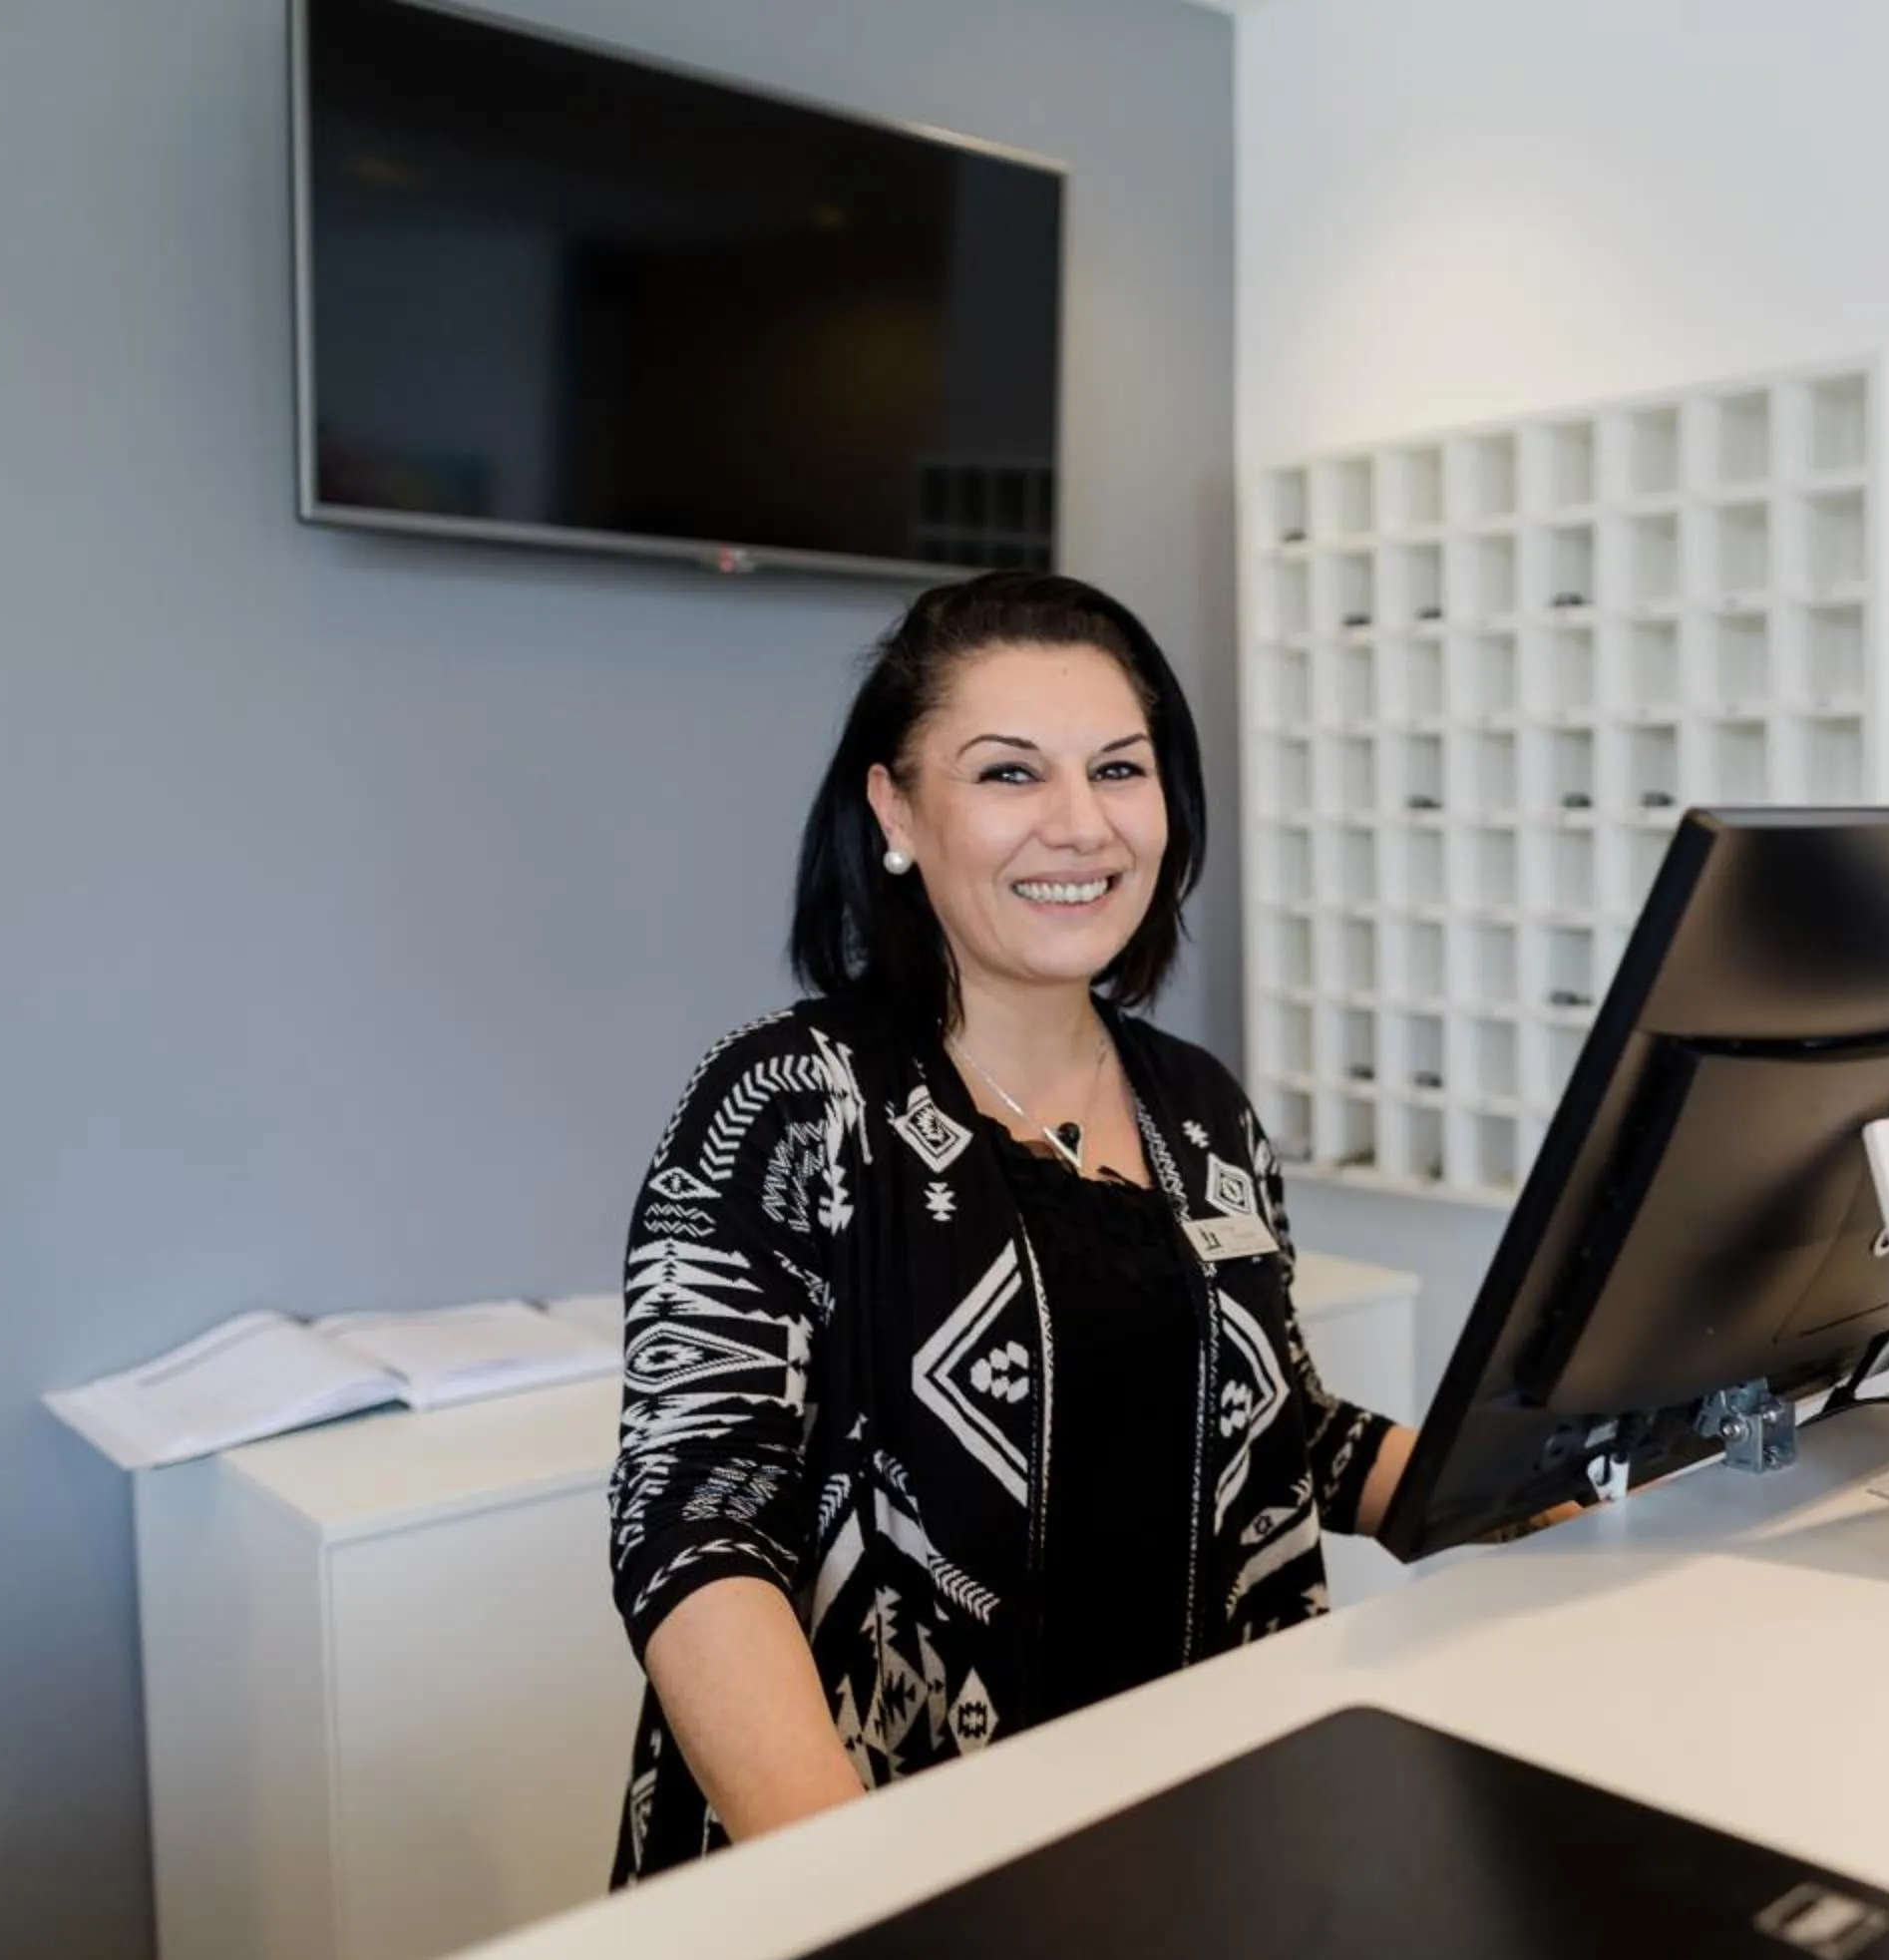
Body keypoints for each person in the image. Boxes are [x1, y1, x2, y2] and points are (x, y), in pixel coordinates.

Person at [605, 572, 1414, 1883]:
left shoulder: (1199, 1111)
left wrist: (1545, 1472)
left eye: (1119, 769)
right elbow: (697, 1515)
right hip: (895, 1872)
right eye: (1008, 775)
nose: (1081, 826)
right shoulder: (789, 1102)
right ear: (894, 810)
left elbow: (1286, 1433)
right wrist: (858, 1891)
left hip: (1195, 1838)